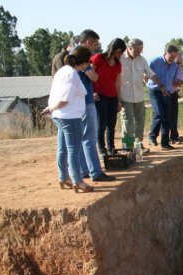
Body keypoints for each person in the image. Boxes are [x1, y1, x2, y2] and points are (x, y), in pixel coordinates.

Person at [42, 46, 94, 193]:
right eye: (88, 62)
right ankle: (78, 181)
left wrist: (51, 108)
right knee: (74, 151)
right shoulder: (72, 74)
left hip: (60, 116)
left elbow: (55, 94)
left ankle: (63, 177)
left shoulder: (62, 72)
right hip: (70, 117)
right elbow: (65, 99)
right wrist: (52, 108)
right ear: (83, 62)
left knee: (63, 148)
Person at [77, 29, 115, 182]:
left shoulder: (73, 58)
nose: (95, 49)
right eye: (94, 45)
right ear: (88, 42)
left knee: (80, 139)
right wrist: (92, 70)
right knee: (89, 138)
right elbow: (94, 76)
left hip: (79, 102)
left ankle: (84, 170)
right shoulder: (82, 58)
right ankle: (95, 172)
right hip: (86, 103)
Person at [119, 38, 164, 152]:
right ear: (129, 49)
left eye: (141, 51)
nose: (140, 53)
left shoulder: (142, 60)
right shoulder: (120, 59)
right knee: (128, 123)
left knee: (140, 123)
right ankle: (128, 148)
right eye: (137, 51)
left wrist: (161, 85)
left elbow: (151, 73)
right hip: (125, 97)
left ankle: (137, 147)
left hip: (139, 97)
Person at [91, 38, 126, 155]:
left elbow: (117, 82)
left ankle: (111, 148)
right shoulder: (98, 58)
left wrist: (119, 99)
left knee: (112, 123)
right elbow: (89, 75)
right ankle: (101, 149)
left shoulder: (118, 64)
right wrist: (92, 92)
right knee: (101, 123)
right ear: (113, 49)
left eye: (121, 53)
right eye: (119, 52)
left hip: (112, 96)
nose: (119, 55)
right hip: (99, 95)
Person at [147, 45, 179, 150]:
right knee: (159, 113)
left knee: (167, 118)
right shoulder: (155, 61)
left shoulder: (174, 65)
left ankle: (165, 143)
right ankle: (152, 136)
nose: (172, 60)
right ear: (165, 53)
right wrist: (149, 85)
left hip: (167, 93)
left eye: (174, 58)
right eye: (171, 57)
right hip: (155, 91)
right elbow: (145, 75)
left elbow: (172, 79)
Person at [169, 52, 183, 144]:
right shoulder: (168, 67)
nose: (179, 63)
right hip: (165, 93)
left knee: (173, 116)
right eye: (178, 61)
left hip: (173, 93)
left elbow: (178, 82)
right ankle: (163, 137)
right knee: (164, 116)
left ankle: (174, 137)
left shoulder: (179, 68)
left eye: (180, 61)